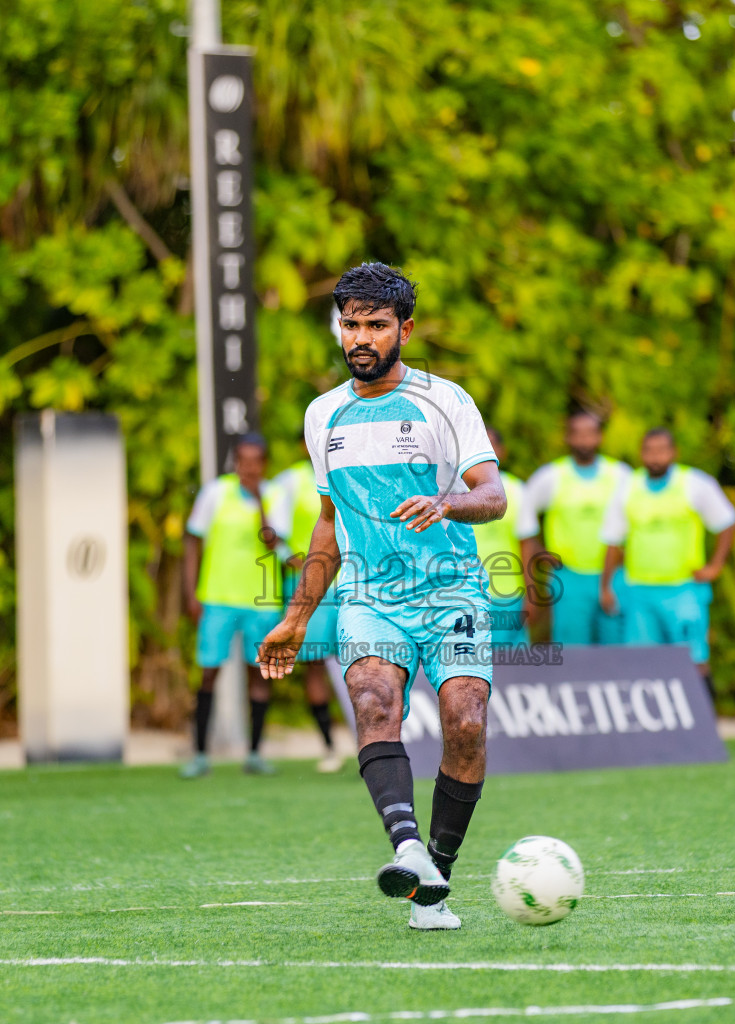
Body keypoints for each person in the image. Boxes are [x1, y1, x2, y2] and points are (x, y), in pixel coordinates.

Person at [257, 262, 506, 931]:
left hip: (451, 590)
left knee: (466, 722)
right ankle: (406, 848)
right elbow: (327, 521)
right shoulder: (322, 414)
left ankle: (434, 883)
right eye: (350, 324)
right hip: (369, 595)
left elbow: (493, 495)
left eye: (375, 324)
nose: (360, 338)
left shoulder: (444, 401)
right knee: (372, 700)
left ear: (405, 329)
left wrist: (448, 502)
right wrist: (296, 618)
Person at [600, 428, 735, 697]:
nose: (655, 458)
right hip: (639, 590)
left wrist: (715, 565)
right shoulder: (628, 488)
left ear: (674, 452)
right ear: (641, 454)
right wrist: (606, 586)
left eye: (662, 451)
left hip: (683, 589)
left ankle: (703, 716)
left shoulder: (695, 484)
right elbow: (613, 542)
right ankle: (652, 719)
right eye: (649, 451)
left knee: (694, 658)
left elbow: (727, 522)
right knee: (642, 662)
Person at [181, 433, 289, 778]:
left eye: (256, 462)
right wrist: (191, 593)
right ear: (235, 462)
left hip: (261, 601)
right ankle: (200, 754)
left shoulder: (276, 495)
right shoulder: (215, 492)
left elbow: (273, 542)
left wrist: (260, 504)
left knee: (259, 674)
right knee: (209, 672)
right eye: (243, 461)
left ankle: (254, 753)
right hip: (218, 599)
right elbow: (192, 541)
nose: (249, 469)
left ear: (264, 464)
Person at [518, 412, 631, 644]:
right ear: (567, 438)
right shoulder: (551, 476)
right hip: (569, 577)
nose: (584, 440)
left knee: (616, 650)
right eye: (577, 434)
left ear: (600, 437)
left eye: (590, 434)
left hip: (614, 576)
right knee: (572, 650)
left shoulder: (620, 475)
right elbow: (523, 517)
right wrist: (539, 551)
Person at [273, 440, 344, 773]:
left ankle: (375, 743)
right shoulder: (291, 480)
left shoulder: (350, 469)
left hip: (355, 581)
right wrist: (299, 563)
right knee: (316, 663)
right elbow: (273, 533)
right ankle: (330, 747)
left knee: (368, 660)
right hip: (314, 586)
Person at [471, 427, 529, 649]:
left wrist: (531, 595)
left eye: (491, 444)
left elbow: (527, 544)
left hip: (508, 593)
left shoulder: (516, 489)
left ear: (502, 451)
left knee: (511, 660)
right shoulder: (453, 488)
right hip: (466, 594)